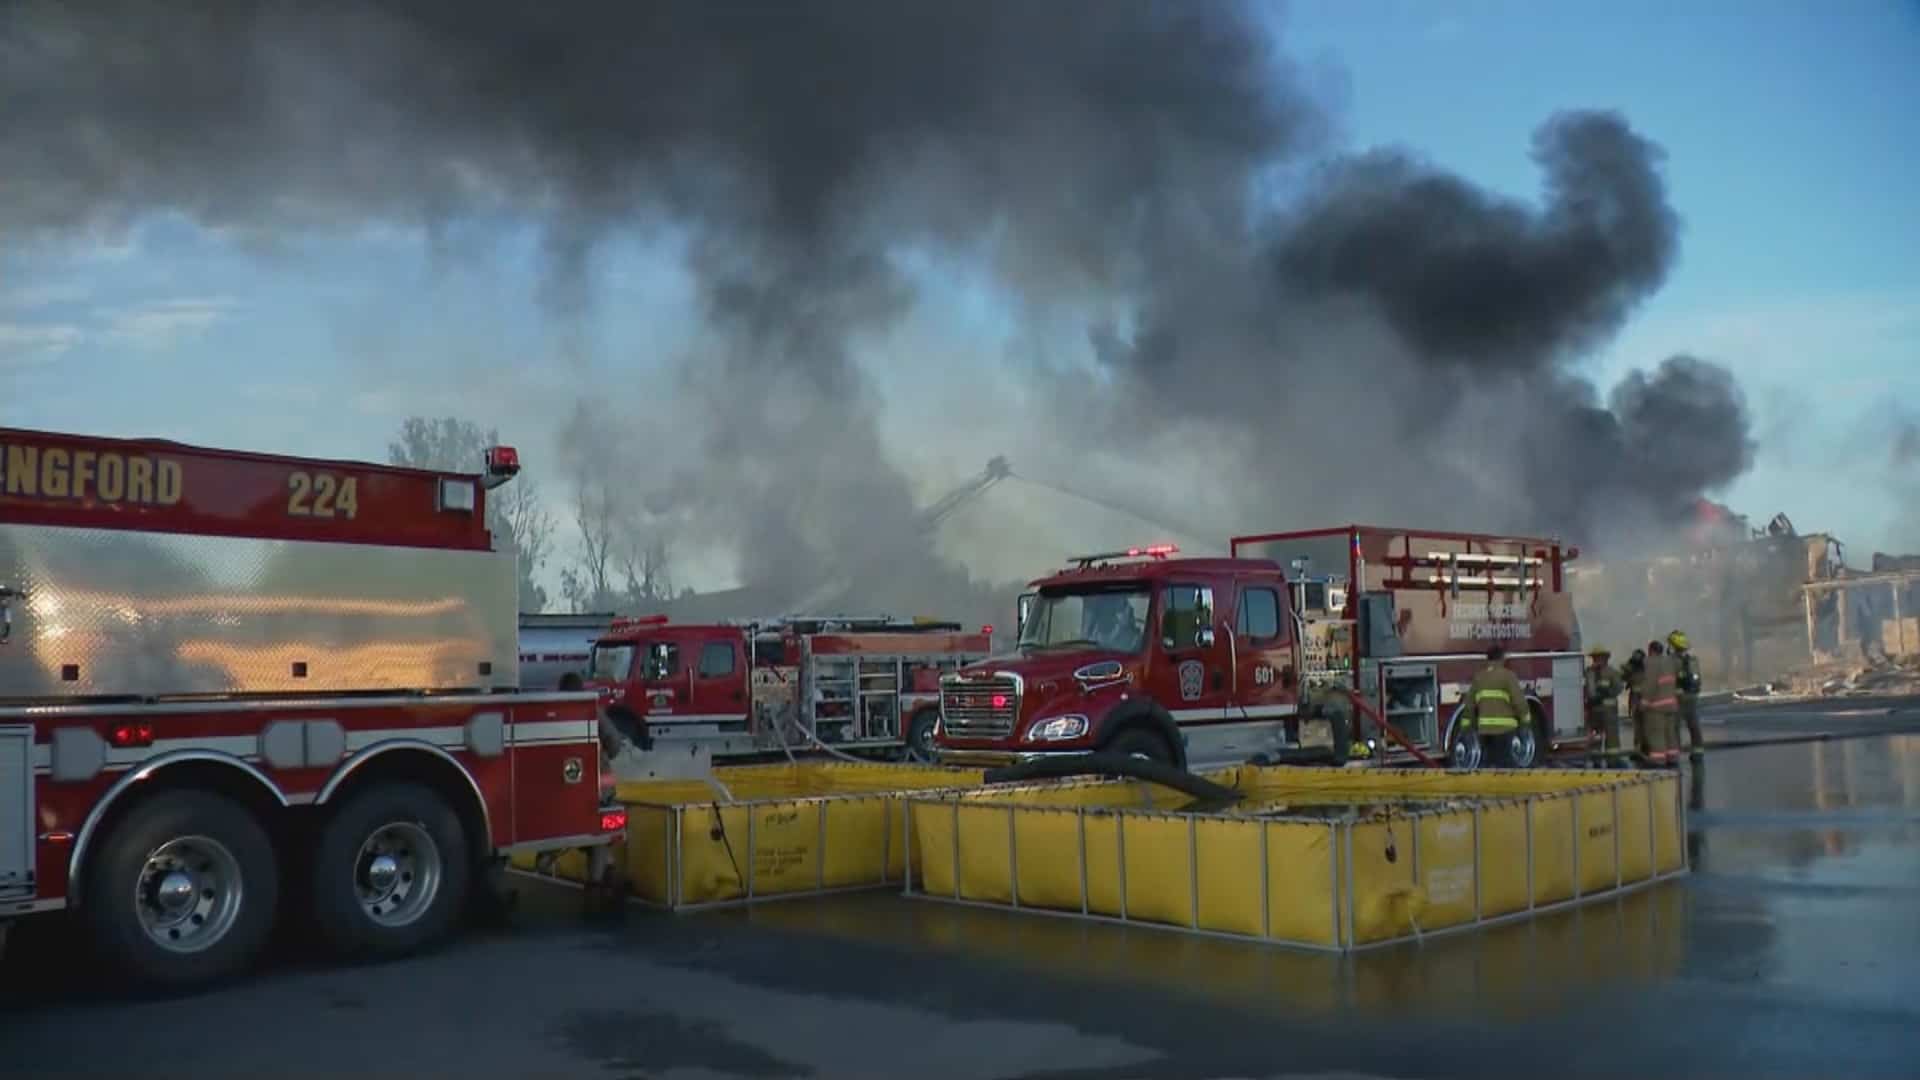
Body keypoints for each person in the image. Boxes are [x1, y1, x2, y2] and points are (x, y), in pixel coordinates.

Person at [1462, 642, 1531, 761]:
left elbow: (1469, 706)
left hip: (1485, 731)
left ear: (1488, 659)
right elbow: (1519, 702)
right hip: (1505, 731)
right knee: (1505, 768)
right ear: (1502, 658)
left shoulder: (1479, 677)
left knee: (1488, 768)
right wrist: (1525, 721)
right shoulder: (1508, 676)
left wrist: (1466, 727)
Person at [1639, 639, 1682, 767]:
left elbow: (1650, 684)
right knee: (1670, 734)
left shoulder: (1650, 662)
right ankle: (1673, 758)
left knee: (1656, 734)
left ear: (1650, 650)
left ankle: (1658, 761)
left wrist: (1644, 703)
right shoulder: (1670, 662)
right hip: (1671, 705)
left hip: (1656, 706)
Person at [1583, 645, 1624, 764]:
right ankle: (1597, 759)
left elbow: (1618, 688)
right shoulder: (1589, 672)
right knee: (1597, 736)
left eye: (1599, 657)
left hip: (1607, 710)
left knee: (1611, 737)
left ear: (1606, 658)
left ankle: (1612, 760)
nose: (1597, 660)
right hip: (1596, 710)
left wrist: (1607, 693)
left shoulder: (1611, 672)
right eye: (1595, 657)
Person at [1669, 629, 1704, 754]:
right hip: (1692, 695)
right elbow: (1698, 679)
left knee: (1675, 726)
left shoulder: (1671, 661)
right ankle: (1698, 751)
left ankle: (1675, 753)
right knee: (1693, 724)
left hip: (1678, 697)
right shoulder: (1693, 660)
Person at [1623, 647, 1648, 756]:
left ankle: (1642, 749)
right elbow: (1623, 677)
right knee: (1639, 726)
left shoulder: (1644, 670)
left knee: (1641, 725)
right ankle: (1640, 749)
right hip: (1637, 699)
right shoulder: (1634, 669)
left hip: (1639, 699)